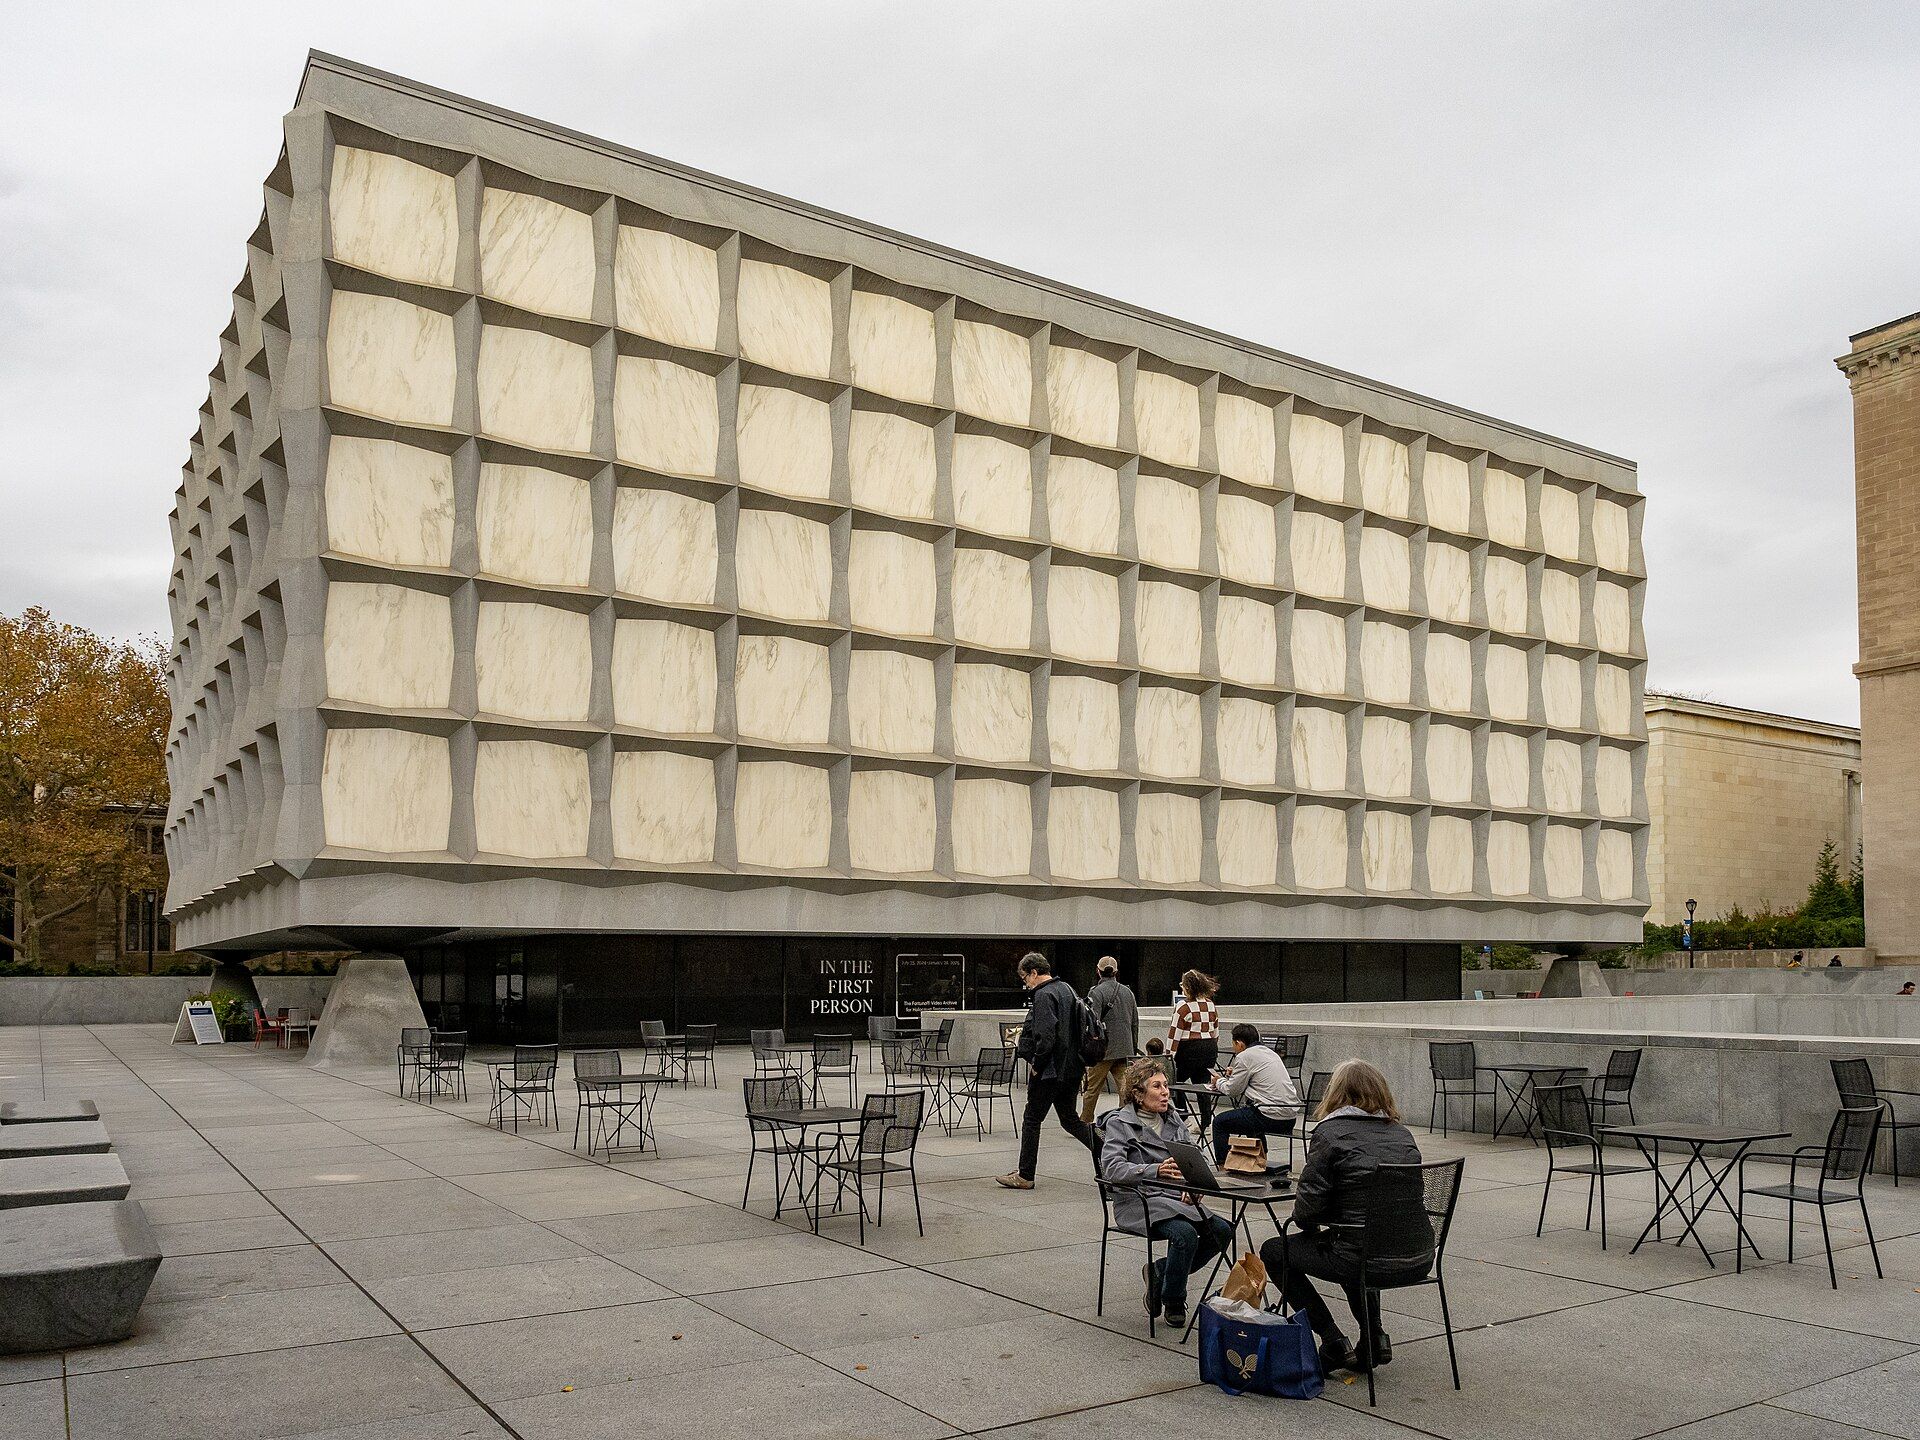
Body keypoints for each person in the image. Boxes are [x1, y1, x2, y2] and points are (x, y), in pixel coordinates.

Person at [1259, 1059, 1433, 1376]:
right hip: (1419, 1255)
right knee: (1358, 1241)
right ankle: (1373, 1337)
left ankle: (1332, 1341)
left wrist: (1314, 1224)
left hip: (1363, 1257)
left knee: (1275, 1250)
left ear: (1335, 1093)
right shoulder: (1402, 1134)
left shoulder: (1329, 1134)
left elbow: (1306, 1212)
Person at [1099, 1059, 1236, 1330]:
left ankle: (1160, 1271)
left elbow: (1195, 1158)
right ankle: (1174, 1298)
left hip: (1175, 1197)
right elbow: (1112, 1169)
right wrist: (1154, 1170)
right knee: (1184, 1234)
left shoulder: (1173, 1118)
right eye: (1157, 1086)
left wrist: (1194, 1187)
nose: (1165, 1092)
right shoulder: (1119, 1122)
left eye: (1166, 1086)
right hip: (1138, 1200)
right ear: (1138, 1093)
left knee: (1222, 1231)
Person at [997, 952, 1096, 1189]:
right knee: (1070, 1120)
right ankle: (1107, 1150)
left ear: (1033, 972)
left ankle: (1025, 1175)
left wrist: (1037, 1066)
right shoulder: (1067, 990)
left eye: (1025, 978)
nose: (1025, 984)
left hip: (1051, 1069)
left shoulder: (1043, 995)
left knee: (1032, 1119)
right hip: (1073, 1068)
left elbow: (1046, 1036)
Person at [1208, 1023, 1301, 1166]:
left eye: (1234, 1044)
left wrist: (1218, 1080)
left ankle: (1223, 1166)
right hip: (1289, 1118)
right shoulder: (1270, 1053)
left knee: (1220, 1122)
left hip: (1269, 1116)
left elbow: (1232, 1091)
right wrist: (1237, 1074)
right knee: (1250, 1117)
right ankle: (1260, 1162)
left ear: (1239, 1043)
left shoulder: (1244, 1056)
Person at [1079, 955, 1140, 1123]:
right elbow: (1135, 1022)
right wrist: (1132, 1047)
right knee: (1125, 1089)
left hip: (1102, 1051)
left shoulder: (1095, 992)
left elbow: (1092, 1022)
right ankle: (1125, 1120)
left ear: (1098, 971)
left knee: (1092, 1088)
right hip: (1125, 1048)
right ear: (1116, 972)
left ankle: (1085, 1120)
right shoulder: (1128, 991)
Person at [1168, 969, 1221, 1127]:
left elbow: (1174, 1035)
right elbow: (1216, 1032)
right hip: (1209, 1049)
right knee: (1203, 1086)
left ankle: (1184, 1117)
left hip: (1188, 1050)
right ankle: (1206, 1123)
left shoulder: (1183, 1006)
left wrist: (1168, 1056)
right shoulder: (1211, 1005)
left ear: (1188, 987)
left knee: (1175, 1082)